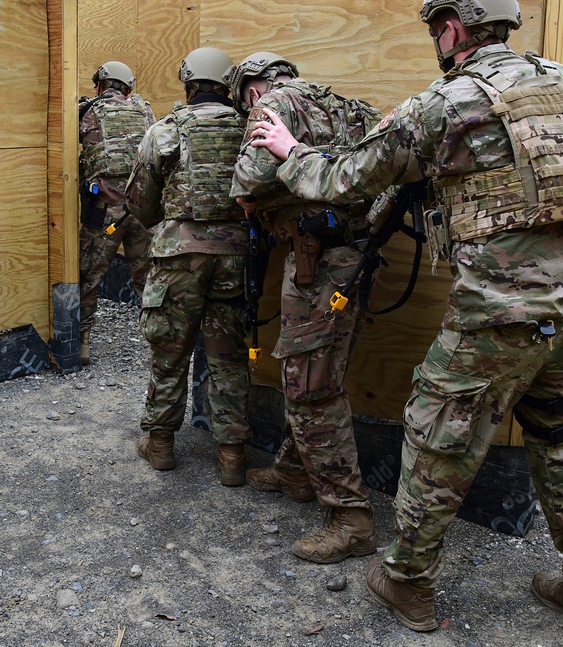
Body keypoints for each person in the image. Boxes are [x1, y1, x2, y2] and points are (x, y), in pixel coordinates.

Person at [249, 0, 563, 642]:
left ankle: (406, 581)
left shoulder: (446, 105)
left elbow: (342, 179)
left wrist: (289, 149)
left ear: (452, 27)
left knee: (433, 444)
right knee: (560, 444)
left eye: (435, 29)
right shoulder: (562, 82)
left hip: (497, 317)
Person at [230, 52, 381, 564]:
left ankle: (350, 517)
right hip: (355, 258)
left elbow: (248, 181)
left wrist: (258, 197)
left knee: (310, 386)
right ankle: (294, 471)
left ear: (251, 89)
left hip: (315, 264)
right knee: (322, 369)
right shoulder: (350, 107)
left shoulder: (270, 105)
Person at [125, 47, 252, 485]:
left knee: (169, 350)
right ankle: (232, 455)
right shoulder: (249, 129)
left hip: (178, 256)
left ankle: (160, 444)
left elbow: (140, 204)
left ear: (188, 82)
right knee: (229, 356)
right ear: (228, 84)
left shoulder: (165, 131)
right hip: (235, 256)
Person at [78, 61, 156, 366]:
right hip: (142, 211)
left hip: (104, 213)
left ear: (101, 85)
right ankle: (159, 344)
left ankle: (82, 342)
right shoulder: (146, 111)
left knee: (88, 276)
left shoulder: (87, 112)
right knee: (149, 279)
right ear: (128, 87)